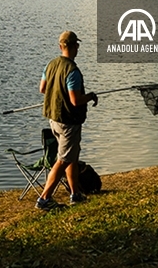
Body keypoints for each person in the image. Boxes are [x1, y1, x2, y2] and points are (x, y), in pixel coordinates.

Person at [35, 30, 97, 210]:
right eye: (77, 45)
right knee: (63, 160)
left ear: (60, 46)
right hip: (68, 122)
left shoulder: (51, 64)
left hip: (53, 119)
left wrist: (57, 93)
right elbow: (75, 100)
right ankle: (44, 199)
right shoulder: (73, 71)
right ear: (74, 46)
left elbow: (42, 89)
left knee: (72, 157)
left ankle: (75, 194)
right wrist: (91, 96)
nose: (78, 48)